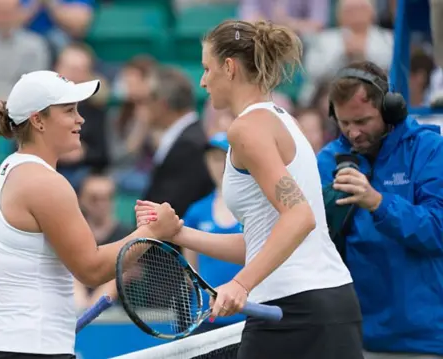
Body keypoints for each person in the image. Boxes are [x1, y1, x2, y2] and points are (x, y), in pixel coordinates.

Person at [136, 20, 363, 359]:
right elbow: (263, 241)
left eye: (206, 68)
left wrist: (241, 283)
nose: (202, 81)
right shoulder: (283, 118)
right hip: (329, 302)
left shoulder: (247, 129)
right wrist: (179, 233)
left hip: (295, 310)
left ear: (229, 68)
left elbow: (300, 217)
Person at [0, 70, 182, 359]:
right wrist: (152, 232)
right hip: (34, 352)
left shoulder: (5, 172)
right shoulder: (47, 183)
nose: (80, 119)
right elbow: (91, 270)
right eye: (69, 111)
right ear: (38, 120)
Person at [317, 61, 443, 359]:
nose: (353, 133)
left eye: (362, 121)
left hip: (423, 338)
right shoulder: (328, 160)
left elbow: (438, 229)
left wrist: (377, 203)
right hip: (353, 336)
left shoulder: (428, 149)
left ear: (390, 110)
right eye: (344, 123)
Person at [181, 131, 245, 334]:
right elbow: (191, 272)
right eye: (214, 159)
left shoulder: (253, 207)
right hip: (207, 318)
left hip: (248, 316)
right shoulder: (196, 212)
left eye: (225, 158)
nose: (220, 166)